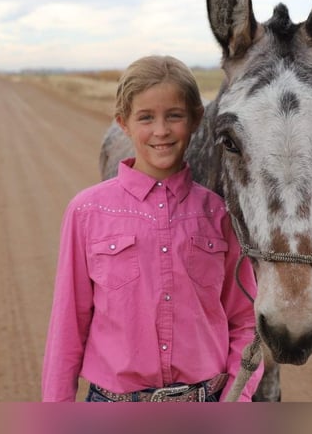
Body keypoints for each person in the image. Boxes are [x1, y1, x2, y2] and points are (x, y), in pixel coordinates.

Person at [42, 55, 262, 402]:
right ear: (123, 124)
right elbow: (67, 328)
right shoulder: (87, 212)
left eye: (174, 116)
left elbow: (245, 322)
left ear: (195, 120)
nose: (161, 131)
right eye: (146, 117)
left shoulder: (221, 215)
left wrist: (238, 399)